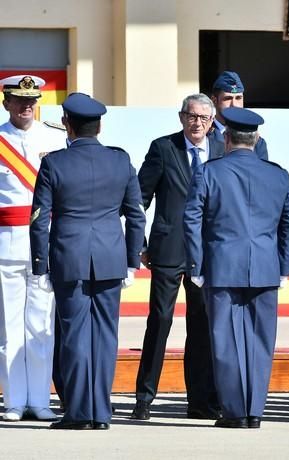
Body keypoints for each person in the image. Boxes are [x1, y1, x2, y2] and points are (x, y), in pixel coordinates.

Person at [30, 92, 145, 429]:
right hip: (110, 258)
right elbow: (135, 215)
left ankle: (80, 413)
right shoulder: (120, 160)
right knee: (105, 337)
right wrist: (131, 261)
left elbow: (40, 219)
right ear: (100, 126)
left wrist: (40, 265)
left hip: (70, 258)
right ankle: (100, 412)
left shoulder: (54, 163)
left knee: (75, 337)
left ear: (67, 124)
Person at [183, 106, 289, 429]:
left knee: (226, 340)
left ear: (226, 137)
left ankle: (234, 410)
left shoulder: (209, 172)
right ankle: (255, 409)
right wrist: (285, 266)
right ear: (256, 138)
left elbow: (192, 219)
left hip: (222, 266)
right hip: (264, 266)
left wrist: (196, 264)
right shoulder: (277, 174)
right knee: (261, 340)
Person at [132, 94, 224, 421]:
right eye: (191, 116)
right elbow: (138, 199)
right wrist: (139, 243)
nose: (196, 122)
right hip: (168, 250)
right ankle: (144, 398)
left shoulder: (222, 149)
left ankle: (200, 401)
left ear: (212, 121)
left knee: (201, 325)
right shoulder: (163, 148)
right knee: (160, 321)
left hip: (208, 254)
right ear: (181, 117)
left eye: (203, 117)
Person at [0, 75, 66, 422]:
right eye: (19, 99)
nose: (27, 105)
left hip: (46, 243)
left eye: (32, 99)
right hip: (6, 244)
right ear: (6, 101)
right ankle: (14, 400)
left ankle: (40, 400)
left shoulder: (55, 138)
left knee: (41, 325)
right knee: (9, 327)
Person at [208, 71, 268, 160]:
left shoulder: (256, 141)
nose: (234, 104)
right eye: (228, 98)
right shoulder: (204, 135)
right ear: (214, 100)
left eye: (238, 98)